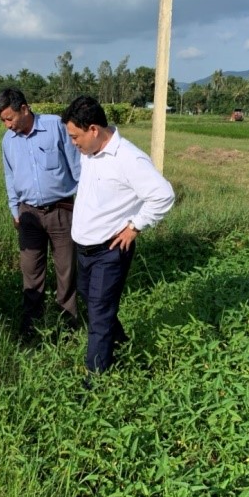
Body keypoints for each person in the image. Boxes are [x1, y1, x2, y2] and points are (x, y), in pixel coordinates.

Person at [61, 96, 175, 378]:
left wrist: (134, 226)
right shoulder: (90, 153)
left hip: (108, 251)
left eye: (76, 136)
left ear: (94, 130)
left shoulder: (128, 158)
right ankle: (121, 346)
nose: (73, 143)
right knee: (92, 300)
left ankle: (94, 381)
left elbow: (163, 195)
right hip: (85, 248)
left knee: (99, 314)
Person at [0, 88, 81, 339]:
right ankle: (31, 325)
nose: (7, 125)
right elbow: (10, 177)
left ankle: (68, 324)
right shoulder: (8, 142)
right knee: (31, 271)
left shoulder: (56, 127)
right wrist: (15, 210)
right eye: (3, 121)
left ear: (25, 109)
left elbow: (77, 167)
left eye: (10, 118)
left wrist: (84, 204)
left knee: (66, 269)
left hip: (61, 210)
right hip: (28, 214)